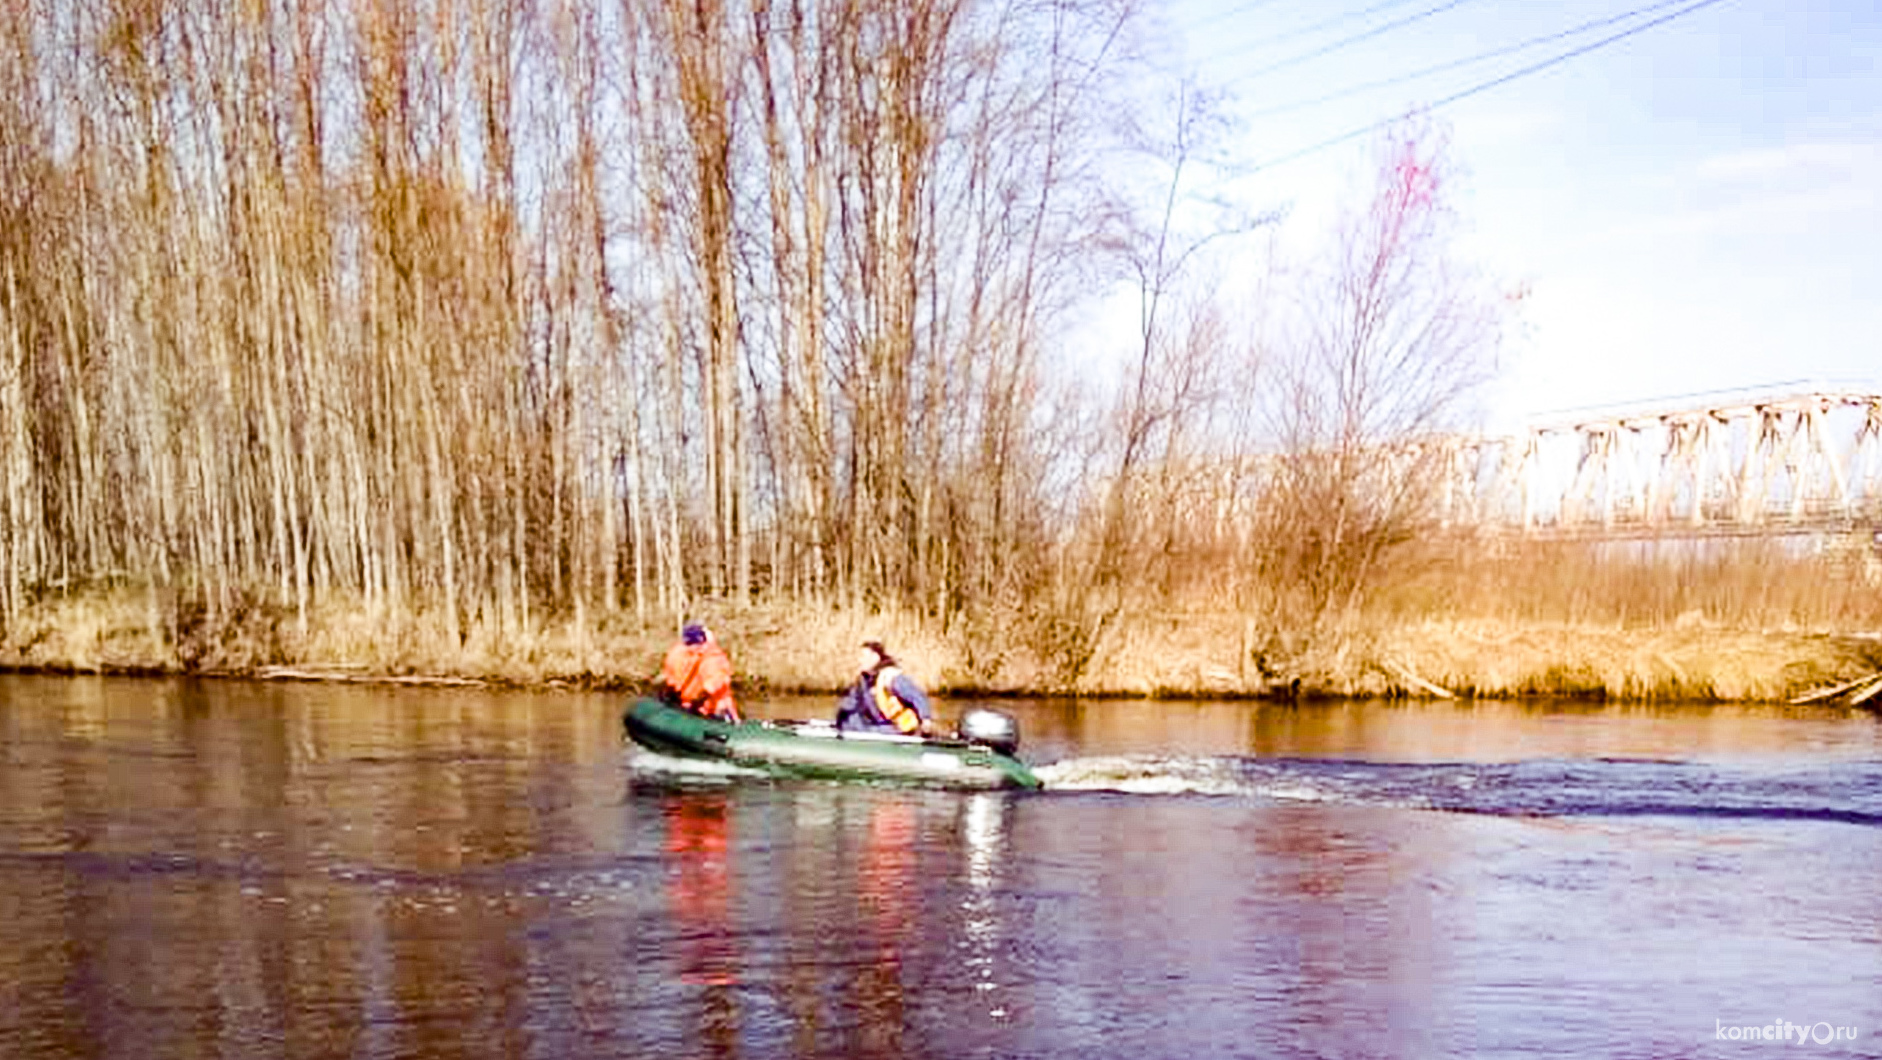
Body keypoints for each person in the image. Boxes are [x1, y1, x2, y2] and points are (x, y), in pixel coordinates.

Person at [835, 640, 933, 736]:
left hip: (897, 729)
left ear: (875, 657)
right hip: (878, 725)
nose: (860, 660)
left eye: (863, 656)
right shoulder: (863, 681)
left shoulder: (891, 677)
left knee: (857, 725)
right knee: (852, 719)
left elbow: (917, 696)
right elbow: (850, 703)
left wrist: (926, 719)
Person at [659, 623, 741, 722]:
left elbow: (671, 680)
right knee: (723, 702)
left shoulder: (675, 654)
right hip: (707, 709)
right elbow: (715, 684)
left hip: (683, 704)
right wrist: (697, 702)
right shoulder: (713, 658)